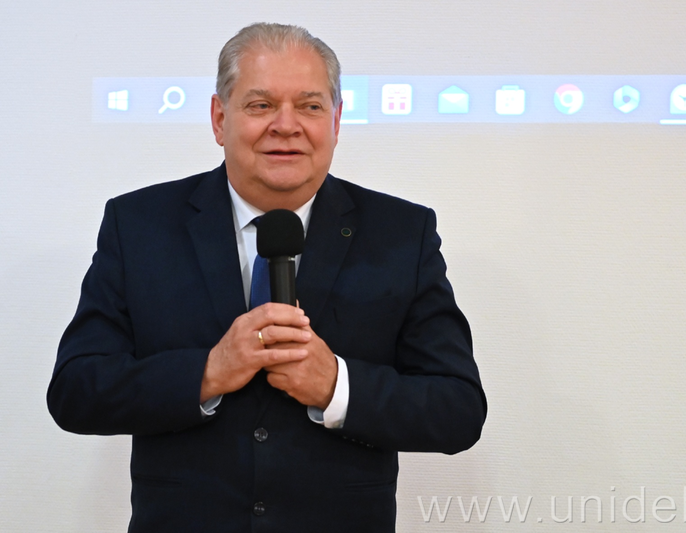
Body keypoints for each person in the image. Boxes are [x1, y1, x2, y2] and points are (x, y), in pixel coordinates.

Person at [47, 22, 486, 532]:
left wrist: (337, 386)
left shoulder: (401, 234)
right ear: (219, 118)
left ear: (336, 120)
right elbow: (76, 391)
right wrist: (207, 372)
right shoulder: (139, 225)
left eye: (310, 106)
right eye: (261, 105)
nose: (286, 125)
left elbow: (458, 410)